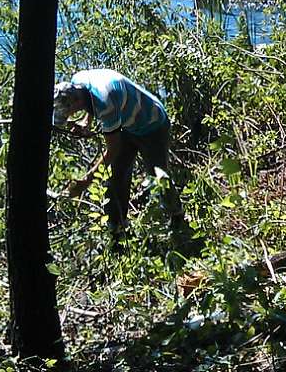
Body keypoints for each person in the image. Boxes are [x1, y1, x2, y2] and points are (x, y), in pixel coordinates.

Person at [52, 69, 192, 245]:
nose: (70, 116)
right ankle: (117, 232)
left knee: (158, 176)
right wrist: (86, 121)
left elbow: (113, 149)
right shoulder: (78, 81)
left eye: (69, 112)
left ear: (76, 101)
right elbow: (90, 102)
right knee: (116, 178)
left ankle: (177, 217)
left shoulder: (106, 103)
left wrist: (86, 182)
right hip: (126, 124)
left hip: (153, 125)